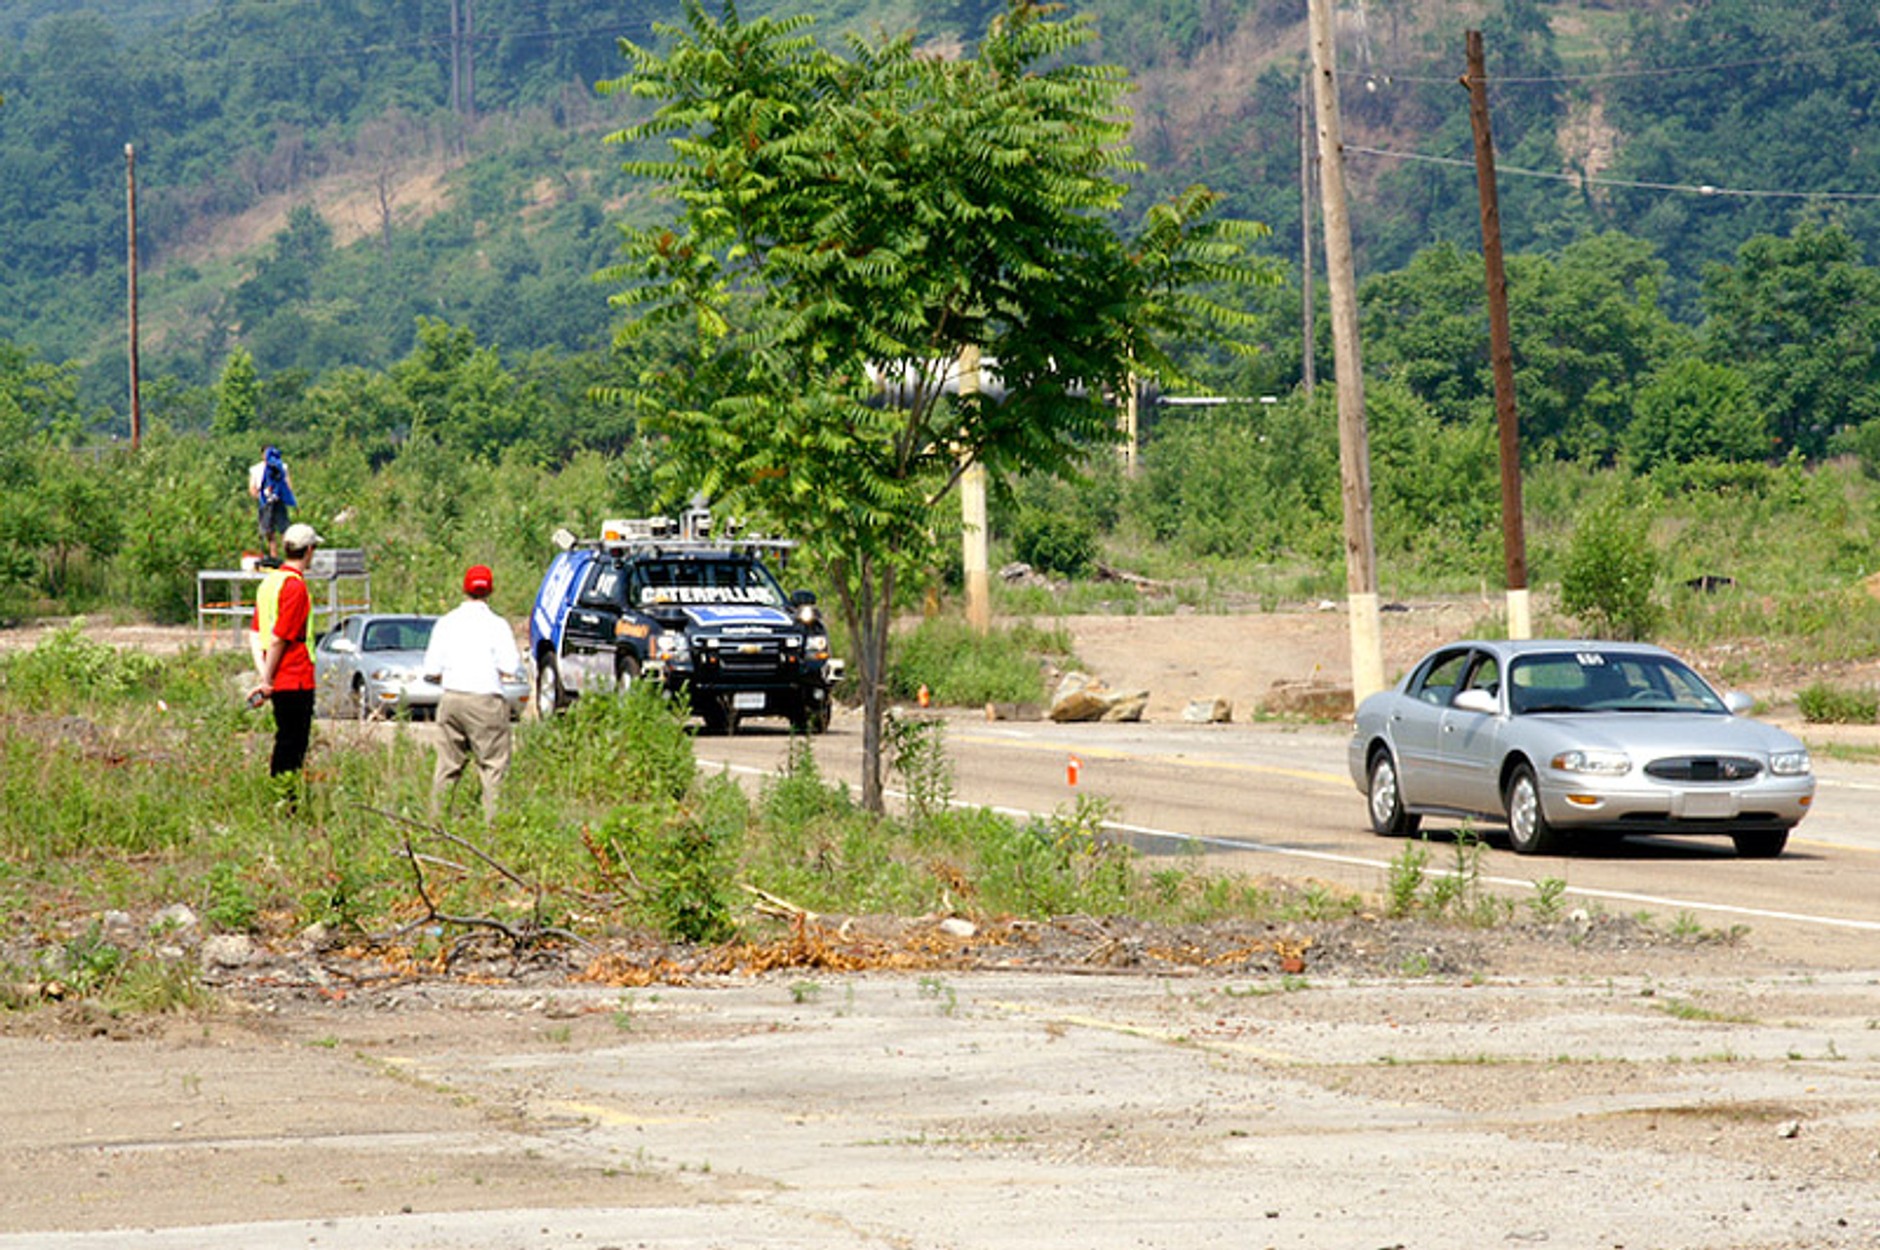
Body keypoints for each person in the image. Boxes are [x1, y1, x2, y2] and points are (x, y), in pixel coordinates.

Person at [424, 564, 522, 823]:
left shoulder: (446, 623)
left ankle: (436, 825)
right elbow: (511, 667)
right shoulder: (497, 625)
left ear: (464, 589)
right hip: (486, 699)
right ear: (491, 591)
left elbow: (431, 669)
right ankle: (494, 828)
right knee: (493, 766)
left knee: (447, 766)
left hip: (452, 698)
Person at [250, 521, 321, 802]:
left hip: (277, 676)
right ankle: (286, 802)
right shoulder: (295, 587)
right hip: (295, 677)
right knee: (292, 746)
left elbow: (256, 635)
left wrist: (264, 677)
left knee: (284, 741)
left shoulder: (270, 582)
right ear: (309, 551)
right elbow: (279, 637)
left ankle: (280, 798)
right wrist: (267, 680)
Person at [248, 445, 297, 560]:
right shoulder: (256, 469)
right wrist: (259, 498)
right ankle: (273, 554)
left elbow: (287, 483)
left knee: (284, 528)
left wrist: (286, 495)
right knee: (268, 530)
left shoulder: (281, 466)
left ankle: (288, 554)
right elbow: (252, 487)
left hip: (279, 499)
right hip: (265, 500)